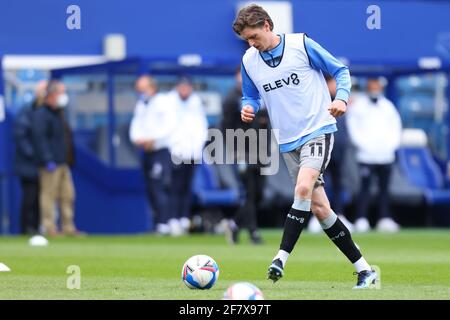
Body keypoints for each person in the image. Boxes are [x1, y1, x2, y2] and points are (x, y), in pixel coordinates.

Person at [233, 4, 377, 288]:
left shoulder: (300, 44)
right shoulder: (249, 60)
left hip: (317, 129)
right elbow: (250, 96)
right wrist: (247, 108)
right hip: (287, 140)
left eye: (253, 36)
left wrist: (341, 99)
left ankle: (280, 258)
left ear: (266, 25)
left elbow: (340, 71)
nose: (251, 43)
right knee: (321, 208)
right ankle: (365, 270)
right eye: (247, 40)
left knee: (302, 188)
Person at [346, 78, 402, 233]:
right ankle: (361, 218)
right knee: (364, 188)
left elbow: (395, 128)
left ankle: (384, 218)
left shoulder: (388, 106)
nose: (375, 89)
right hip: (366, 155)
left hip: (385, 155)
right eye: (372, 86)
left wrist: (389, 146)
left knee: (384, 189)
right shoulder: (358, 106)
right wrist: (365, 146)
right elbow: (354, 129)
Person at [221, 67, 267, 244]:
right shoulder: (231, 99)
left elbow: (265, 120)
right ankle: (254, 232)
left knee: (259, 194)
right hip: (242, 151)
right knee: (249, 192)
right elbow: (226, 128)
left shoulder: (259, 95)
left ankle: (234, 224)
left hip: (261, 150)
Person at [129, 75, 177, 236]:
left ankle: (164, 222)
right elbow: (136, 125)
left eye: (143, 89)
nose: (140, 93)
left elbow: (169, 126)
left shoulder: (163, 103)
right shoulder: (141, 104)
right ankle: (157, 222)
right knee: (150, 187)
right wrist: (137, 139)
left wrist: (153, 139)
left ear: (152, 87)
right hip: (146, 151)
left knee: (159, 186)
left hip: (160, 151)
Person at [32, 80, 80, 237]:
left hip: (63, 162)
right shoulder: (41, 114)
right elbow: (40, 139)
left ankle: (68, 227)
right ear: (52, 94)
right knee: (48, 196)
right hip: (50, 163)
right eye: (61, 92)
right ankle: (49, 227)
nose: (64, 96)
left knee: (68, 195)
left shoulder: (59, 113)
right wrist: (47, 159)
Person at [307, 76, 354, 233]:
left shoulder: (340, 102)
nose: (335, 86)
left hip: (338, 149)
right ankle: (317, 216)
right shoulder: (318, 100)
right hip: (322, 148)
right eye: (331, 82)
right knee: (318, 183)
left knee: (338, 182)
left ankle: (339, 214)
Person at [168, 76, 208, 234]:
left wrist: (198, 147)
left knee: (186, 186)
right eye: (182, 87)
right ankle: (172, 219)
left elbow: (201, 127)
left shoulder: (196, 103)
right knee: (174, 186)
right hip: (176, 152)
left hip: (192, 152)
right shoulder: (170, 102)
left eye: (187, 87)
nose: (184, 90)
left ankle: (184, 219)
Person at [13, 80, 47, 234]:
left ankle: (38, 227)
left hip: (41, 164)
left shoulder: (47, 112)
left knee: (41, 198)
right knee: (30, 197)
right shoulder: (27, 111)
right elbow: (21, 136)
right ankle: (26, 228)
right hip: (28, 164)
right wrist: (34, 155)